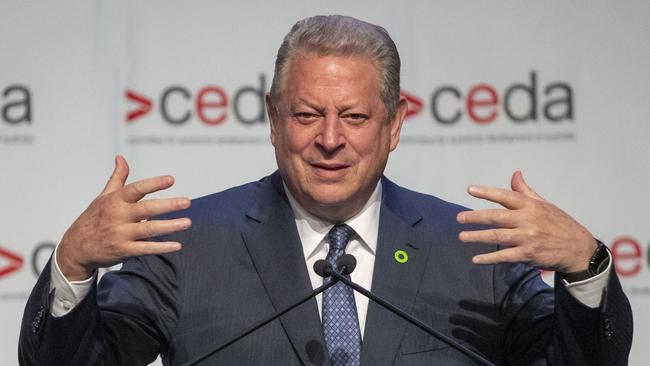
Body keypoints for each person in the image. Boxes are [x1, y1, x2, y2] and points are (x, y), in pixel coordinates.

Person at [19, 15, 632, 366]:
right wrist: (71, 266)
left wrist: (587, 268)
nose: (330, 140)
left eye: (356, 118)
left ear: (394, 125)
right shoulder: (188, 245)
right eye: (308, 115)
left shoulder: (474, 249)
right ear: (273, 119)